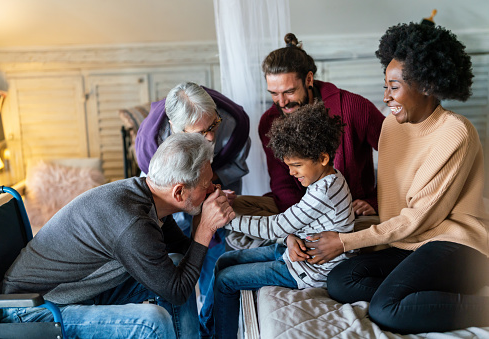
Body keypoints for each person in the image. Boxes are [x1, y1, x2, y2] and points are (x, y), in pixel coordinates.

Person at [301, 22, 489, 334]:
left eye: (394, 86)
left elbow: (420, 217)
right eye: (385, 85)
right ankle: (431, 296)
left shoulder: (456, 131)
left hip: (454, 243)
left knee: (386, 309)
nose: (386, 96)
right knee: (340, 281)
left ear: (427, 86)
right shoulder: (391, 126)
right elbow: (393, 201)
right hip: (409, 243)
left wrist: (347, 241)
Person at [1, 133, 236, 339]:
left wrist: (200, 217)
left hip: (75, 294)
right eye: (207, 185)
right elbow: (178, 291)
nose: (213, 190)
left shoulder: (147, 197)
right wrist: (205, 228)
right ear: (179, 191)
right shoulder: (133, 224)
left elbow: (185, 253)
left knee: (175, 263)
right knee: (153, 322)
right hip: (32, 309)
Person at [201, 101, 356, 338]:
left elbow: (276, 225)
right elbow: (296, 223)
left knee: (226, 280)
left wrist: (225, 219)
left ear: (323, 158)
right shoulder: (326, 179)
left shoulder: (324, 191)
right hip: (297, 250)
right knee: (225, 260)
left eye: (296, 166)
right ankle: (207, 329)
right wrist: (291, 237)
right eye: (289, 166)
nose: (292, 173)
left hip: (308, 271)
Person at [227, 33, 385, 249]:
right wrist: (293, 229)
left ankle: (296, 243)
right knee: (235, 208)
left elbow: (398, 157)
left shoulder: (353, 106)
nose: (281, 102)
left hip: (348, 213)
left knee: (382, 231)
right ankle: (296, 241)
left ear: (309, 79)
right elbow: (282, 181)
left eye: (289, 92)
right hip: (295, 210)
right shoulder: (269, 121)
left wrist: (374, 202)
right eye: (274, 93)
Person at [135, 82, 251, 301]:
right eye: (200, 133)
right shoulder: (153, 147)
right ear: (176, 129)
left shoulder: (233, 123)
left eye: (213, 126)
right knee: (175, 246)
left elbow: (236, 163)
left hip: (219, 179)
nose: (210, 138)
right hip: (172, 197)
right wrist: (195, 191)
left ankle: (211, 301)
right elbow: (158, 193)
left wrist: (209, 186)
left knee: (217, 244)